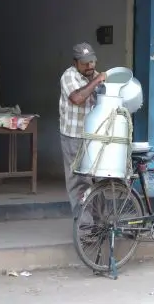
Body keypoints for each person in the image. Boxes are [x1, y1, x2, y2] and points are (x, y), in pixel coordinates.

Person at [59, 42, 106, 214]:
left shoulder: (95, 76)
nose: (90, 66)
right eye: (85, 63)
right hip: (73, 137)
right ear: (75, 62)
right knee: (79, 182)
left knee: (98, 181)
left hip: (93, 137)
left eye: (92, 61)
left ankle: (101, 225)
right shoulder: (68, 76)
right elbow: (77, 98)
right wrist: (96, 81)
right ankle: (85, 229)